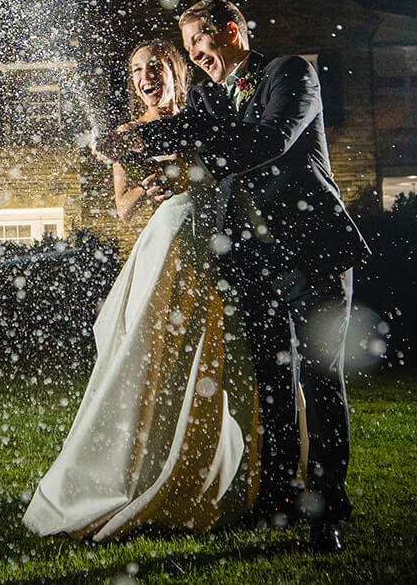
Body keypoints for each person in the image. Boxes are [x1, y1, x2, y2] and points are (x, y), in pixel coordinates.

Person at [98, 0, 370, 554]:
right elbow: (184, 130)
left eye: (200, 41)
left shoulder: (290, 74)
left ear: (231, 31)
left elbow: (269, 141)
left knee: (320, 377)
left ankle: (328, 506)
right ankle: (276, 496)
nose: (195, 55)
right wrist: (132, 141)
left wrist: (169, 146)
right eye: (190, 48)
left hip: (311, 247)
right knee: (271, 382)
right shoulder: (209, 94)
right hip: (251, 255)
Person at [23, 39, 259, 540]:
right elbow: (124, 208)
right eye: (135, 71)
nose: (145, 77)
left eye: (154, 67)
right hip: (168, 242)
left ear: (175, 71)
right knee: (157, 356)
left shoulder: (205, 116)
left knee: (224, 357)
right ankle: (142, 470)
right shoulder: (129, 135)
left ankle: (225, 468)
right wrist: (148, 188)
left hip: (215, 244)